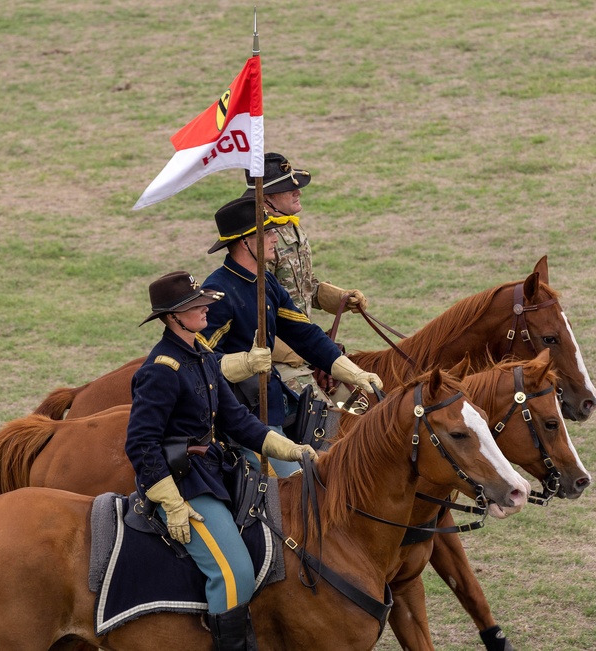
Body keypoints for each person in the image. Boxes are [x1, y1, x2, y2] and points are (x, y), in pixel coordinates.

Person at [125, 270, 318, 651]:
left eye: (202, 302)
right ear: (172, 317)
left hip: (216, 471)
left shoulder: (204, 356)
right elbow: (140, 443)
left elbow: (240, 423)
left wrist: (291, 450)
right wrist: (171, 502)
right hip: (183, 483)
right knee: (234, 575)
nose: (204, 309)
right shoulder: (161, 370)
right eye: (193, 306)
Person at [199, 195, 383, 476]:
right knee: (301, 490)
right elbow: (200, 363)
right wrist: (245, 364)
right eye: (269, 232)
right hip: (242, 419)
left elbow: (304, 333)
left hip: (276, 404)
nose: (276, 238)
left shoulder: (266, 281)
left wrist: (354, 374)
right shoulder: (220, 292)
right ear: (245, 241)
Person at [243, 152, 369, 395]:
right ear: (267, 198)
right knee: (317, 413)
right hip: (278, 354)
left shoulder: (292, 229)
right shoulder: (259, 242)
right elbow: (254, 312)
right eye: (288, 189)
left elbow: (304, 287)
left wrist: (341, 298)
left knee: (356, 399)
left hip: (304, 342)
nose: (297, 192)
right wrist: (299, 352)